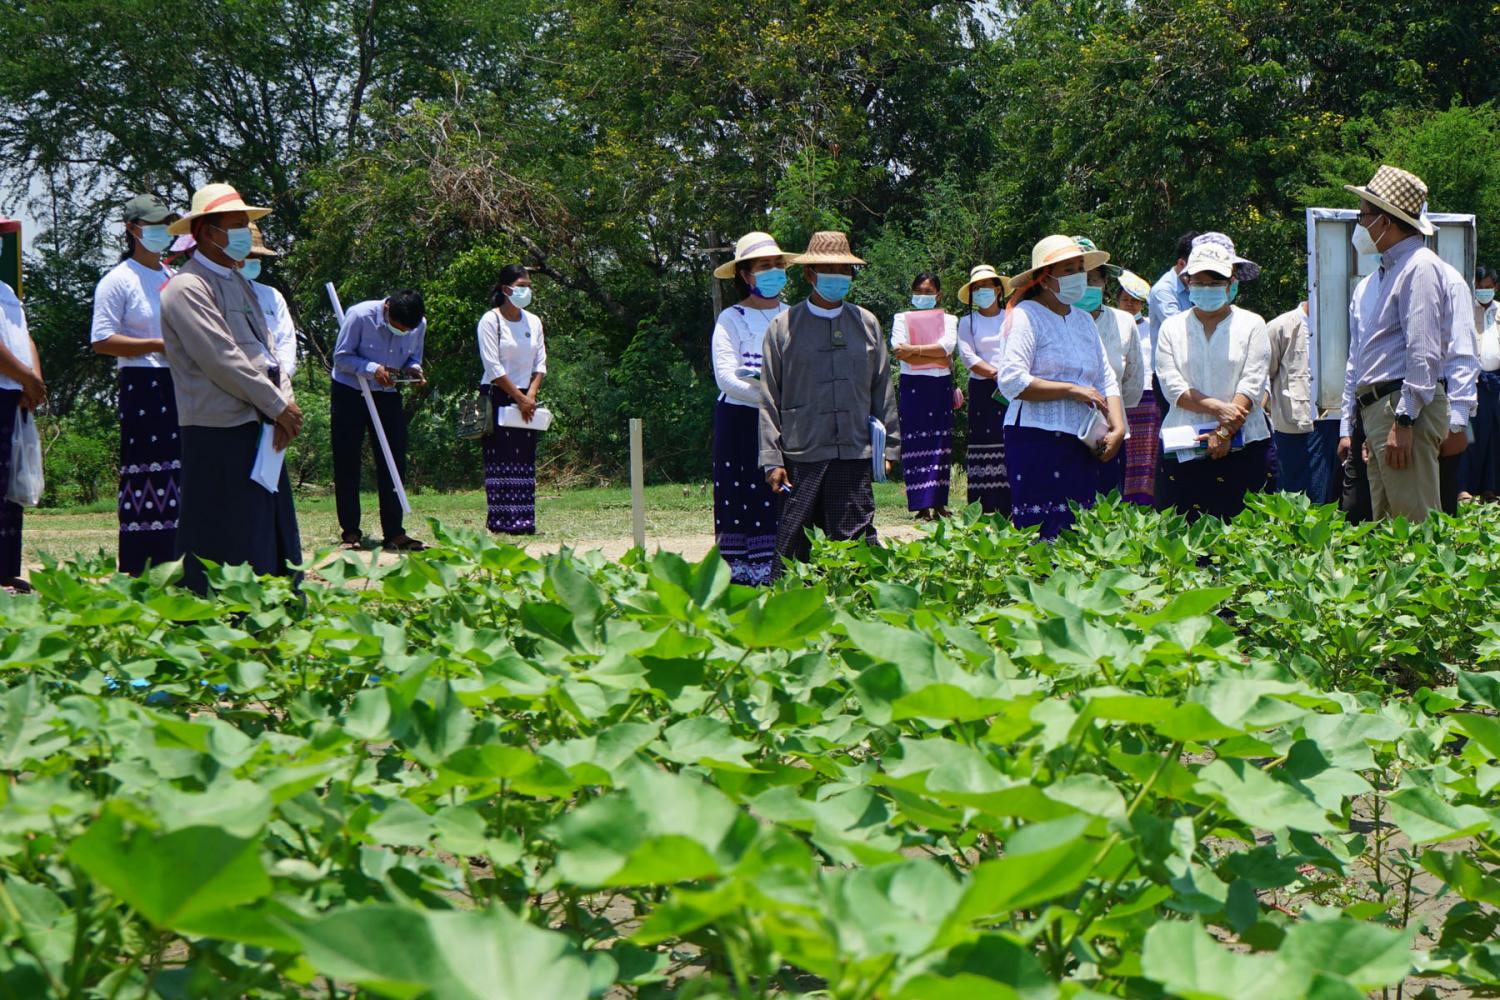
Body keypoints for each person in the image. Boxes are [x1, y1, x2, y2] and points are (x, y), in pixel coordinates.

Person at [158, 183, 303, 594]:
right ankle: (214, 614)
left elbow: (268, 349)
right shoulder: (187, 287)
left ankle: (271, 607)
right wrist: (278, 406)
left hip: (260, 421)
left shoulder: (238, 281)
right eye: (237, 225)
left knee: (265, 525)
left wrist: (285, 402)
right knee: (223, 531)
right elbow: (222, 359)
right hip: (217, 426)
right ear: (207, 232)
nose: (244, 234)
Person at [759, 231, 899, 576]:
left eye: (845, 270)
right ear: (810, 274)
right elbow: (768, 398)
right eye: (829, 270)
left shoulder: (866, 323)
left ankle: (857, 604)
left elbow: (883, 388)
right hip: (802, 452)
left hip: (854, 450)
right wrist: (771, 459)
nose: (839, 277)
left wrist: (890, 448)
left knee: (855, 543)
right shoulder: (783, 327)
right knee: (794, 546)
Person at [1338, 165, 1449, 522]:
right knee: (1390, 528)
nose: (1360, 224)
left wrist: (1404, 419)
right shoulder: (1393, 270)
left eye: (1363, 216)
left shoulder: (1419, 267)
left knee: (1414, 527)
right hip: (1383, 409)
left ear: (1385, 221)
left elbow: (1423, 350)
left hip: (1399, 407)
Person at [996, 235, 1126, 537]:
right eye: (1068, 270)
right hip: (1037, 438)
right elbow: (1012, 381)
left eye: (1080, 268)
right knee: (1043, 532)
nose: (1079, 277)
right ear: (1044, 279)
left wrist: (1118, 427)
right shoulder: (1026, 316)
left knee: (1082, 529)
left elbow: (1106, 377)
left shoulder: (1083, 320)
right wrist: (1071, 390)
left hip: (1084, 441)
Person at [89, 193, 183, 575]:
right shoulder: (118, 280)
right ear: (132, 229)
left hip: (178, 381)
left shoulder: (173, 278)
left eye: (166, 224)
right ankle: (142, 563)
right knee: (146, 468)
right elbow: (102, 339)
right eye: (154, 225)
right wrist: (157, 345)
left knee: (178, 470)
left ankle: (178, 560)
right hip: (142, 382)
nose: (162, 232)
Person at [1156, 239, 1272, 522]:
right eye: (1200, 281)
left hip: (1245, 444)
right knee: (1181, 535)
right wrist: (1220, 410)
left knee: (1245, 535)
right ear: (1187, 282)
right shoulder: (1171, 328)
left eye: (1216, 281)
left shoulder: (1252, 324)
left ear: (1231, 282)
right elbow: (1173, 387)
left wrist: (1224, 432)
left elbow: (1252, 383)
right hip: (1184, 445)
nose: (1207, 288)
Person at [709, 233, 787, 583]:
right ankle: (741, 575)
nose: (774, 271)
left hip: (786, 422)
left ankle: (780, 568)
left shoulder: (794, 316)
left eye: (778, 265)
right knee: (741, 493)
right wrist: (772, 399)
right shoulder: (731, 318)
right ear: (745, 274)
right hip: (740, 421)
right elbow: (726, 379)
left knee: (782, 492)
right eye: (764, 266)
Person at [331, 288, 426, 551]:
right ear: (387, 310)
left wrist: (413, 370)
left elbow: (413, 357)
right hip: (350, 391)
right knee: (347, 460)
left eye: (408, 330)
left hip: (388, 394)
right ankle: (350, 532)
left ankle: (394, 533)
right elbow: (341, 358)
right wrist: (373, 369)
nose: (403, 332)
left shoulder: (418, 324)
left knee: (393, 459)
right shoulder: (359, 315)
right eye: (399, 327)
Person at [477, 264, 547, 535]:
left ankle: (524, 521)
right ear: (506, 289)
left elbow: (540, 362)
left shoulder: (534, 321)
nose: (527, 291)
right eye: (521, 286)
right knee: (501, 459)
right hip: (498, 394)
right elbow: (492, 366)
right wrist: (517, 397)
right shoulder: (490, 320)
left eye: (529, 286)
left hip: (527, 398)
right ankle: (501, 522)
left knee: (524, 460)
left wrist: (530, 395)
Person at [1076, 238, 1145, 495]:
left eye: (1092, 278)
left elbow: (1132, 382)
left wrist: (1110, 413)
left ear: (1105, 282)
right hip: (1062, 430)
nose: (1085, 285)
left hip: (1111, 433)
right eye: (1077, 277)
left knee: (1108, 506)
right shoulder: (1053, 319)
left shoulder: (1124, 322)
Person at [891, 272, 958, 519]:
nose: (922, 295)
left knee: (940, 443)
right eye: (918, 291)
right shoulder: (901, 318)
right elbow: (898, 349)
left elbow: (947, 347)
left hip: (940, 386)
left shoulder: (949, 319)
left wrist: (914, 351)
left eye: (928, 292)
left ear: (938, 295)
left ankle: (939, 503)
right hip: (913, 386)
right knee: (915, 442)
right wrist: (935, 356)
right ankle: (921, 506)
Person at [0, 261, 44, 593]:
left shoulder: (7, 291)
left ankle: (5, 570)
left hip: (13, 392)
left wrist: (34, 380)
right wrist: (27, 378)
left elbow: (23, 335)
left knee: (8, 486)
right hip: (10, 384)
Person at [955, 264, 1010, 515]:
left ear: (998, 289)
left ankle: (1010, 505)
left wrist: (1009, 377)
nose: (981, 291)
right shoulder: (967, 321)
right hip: (983, 388)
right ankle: (983, 505)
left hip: (1012, 387)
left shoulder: (1012, 317)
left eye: (986, 286)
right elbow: (968, 357)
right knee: (983, 442)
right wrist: (996, 374)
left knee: (1008, 440)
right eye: (976, 288)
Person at [1265, 301, 1319, 498]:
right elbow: (1265, 377)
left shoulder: (1342, 324)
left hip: (1334, 426)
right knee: (1292, 496)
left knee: (1326, 497)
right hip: (1292, 428)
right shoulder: (1280, 326)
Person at [1438, 258, 1478, 515]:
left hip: (1440, 396)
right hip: (1393, 403)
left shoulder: (1450, 281)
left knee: (1442, 490)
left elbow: (1463, 355)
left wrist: (1456, 423)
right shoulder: (1376, 284)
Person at [1116, 268, 1159, 505]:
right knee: (1120, 448)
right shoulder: (1112, 324)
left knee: (1146, 453)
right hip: (1119, 397)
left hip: (1148, 398)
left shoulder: (1152, 327)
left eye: (1135, 301)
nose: (1130, 305)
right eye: (1125, 300)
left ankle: (1143, 502)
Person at [1462, 264, 1500, 501]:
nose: (1484, 291)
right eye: (1479, 287)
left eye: (1488, 287)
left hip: (1496, 382)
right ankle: (1464, 488)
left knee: (1494, 435)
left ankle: (1490, 487)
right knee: (1470, 434)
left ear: (1495, 287)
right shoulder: (1466, 310)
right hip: (1472, 381)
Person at [241, 224, 298, 379]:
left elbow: (286, 338)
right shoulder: (218, 293)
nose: (254, 260)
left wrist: (284, 374)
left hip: (276, 376)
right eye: (249, 255)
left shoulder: (272, 295)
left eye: (258, 256)